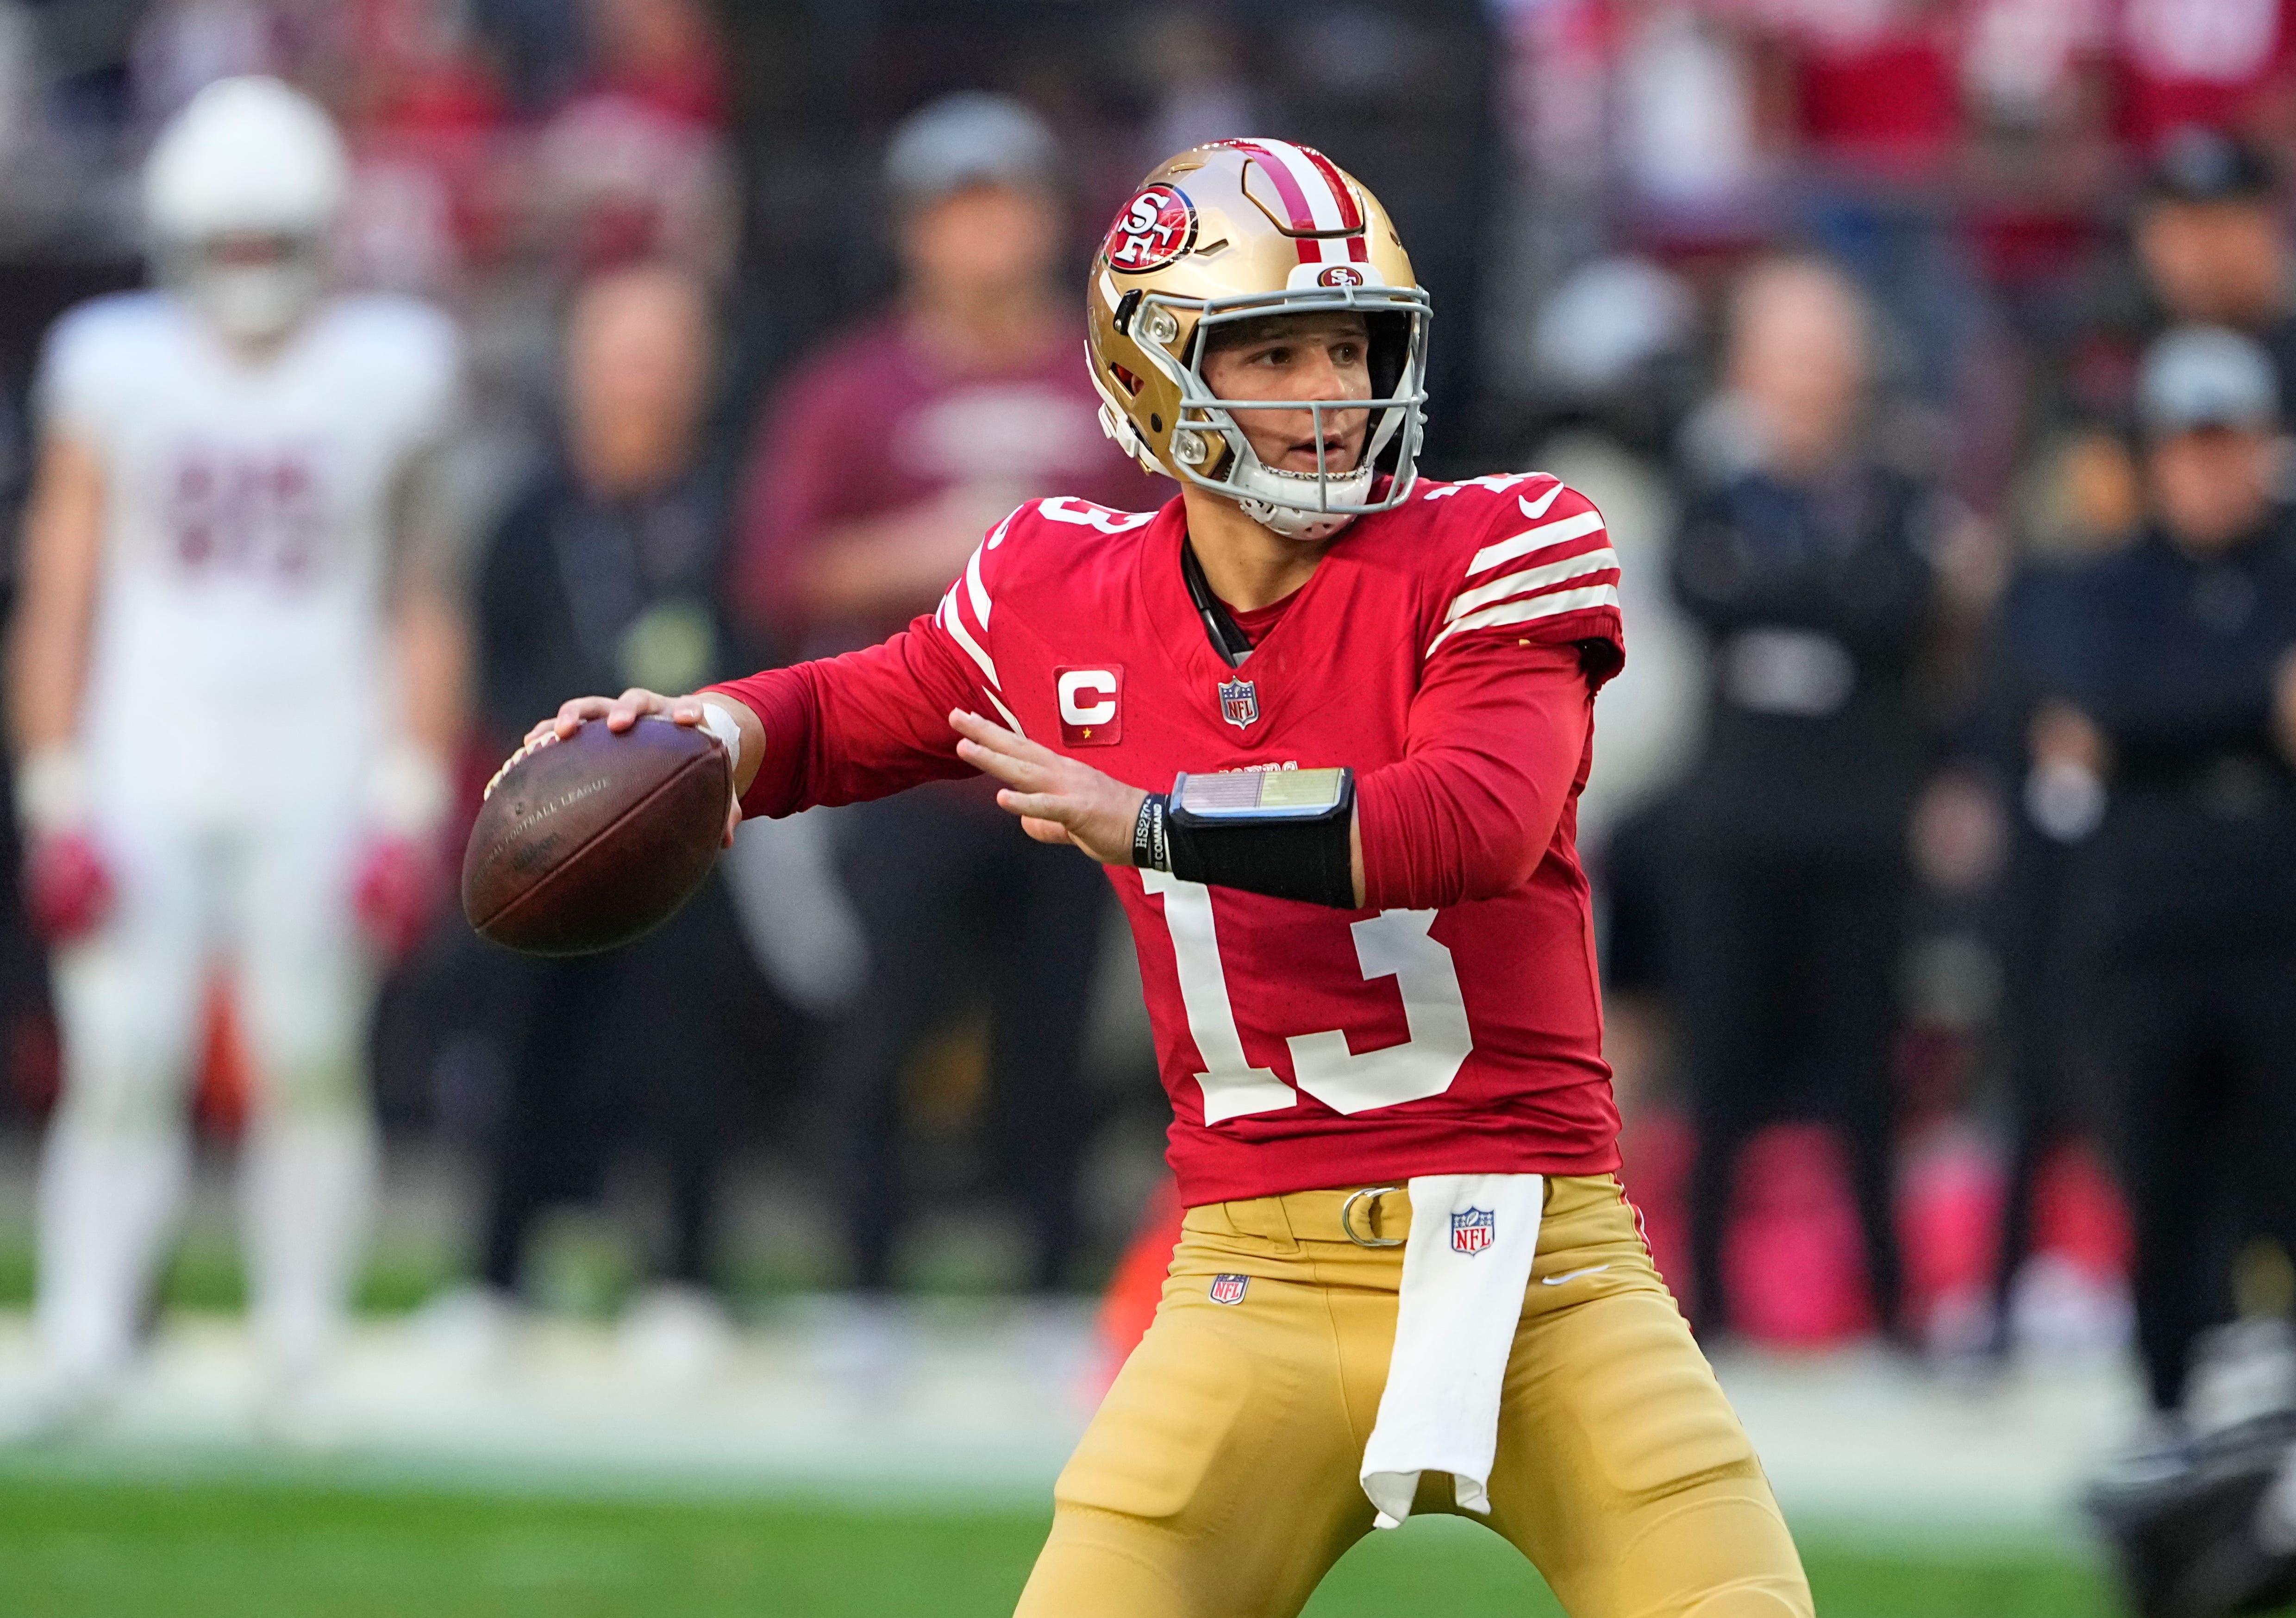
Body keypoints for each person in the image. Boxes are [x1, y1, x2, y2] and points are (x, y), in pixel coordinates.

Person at [529, 139, 1812, 1615]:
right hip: (1248, 1281)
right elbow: (852, 710)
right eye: (1275, 351)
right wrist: (701, 731)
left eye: (1353, 343)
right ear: (1151, 371)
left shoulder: (1499, 544)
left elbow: (1470, 821)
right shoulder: (1057, 586)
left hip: (1541, 1266)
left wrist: (1151, 819)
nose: (1330, 388)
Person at [3, 77, 466, 1435]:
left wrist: (407, 789)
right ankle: (88, 1334)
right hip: (145, 747)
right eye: (232, 245)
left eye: (274, 244)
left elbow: (419, 593)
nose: (251, 274)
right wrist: (54, 787)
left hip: (317, 749)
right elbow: (64, 584)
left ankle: (300, 1344)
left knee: (309, 1055)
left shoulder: (392, 364)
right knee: (122, 1054)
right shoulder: (115, 362)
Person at [731, 93, 1161, 1297]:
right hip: (911, 767)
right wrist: (920, 550)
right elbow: (774, 572)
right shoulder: (851, 390)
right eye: (959, 211)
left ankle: (1041, 1281)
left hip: (1075, 769)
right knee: (883, 1036)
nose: (983, 238)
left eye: (1004, 207)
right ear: (915, 230)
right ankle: (863, 1283)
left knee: (1057, 1044)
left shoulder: (1118, 386)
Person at [2071, 327, 2296, 1616]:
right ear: (2156, 459)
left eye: (2229, 447)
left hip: (2283, 921)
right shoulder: (2108, 584)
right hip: (2157, 927)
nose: (2211, 474)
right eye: (2189, 448)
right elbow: (2109, 706)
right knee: (2162, 1183)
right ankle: (2167, 1405)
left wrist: (2186, 730)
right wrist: (2245, 720)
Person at [433, 262, 757, 1375]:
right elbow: (488, 660)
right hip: (548, 830)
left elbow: (762, 651)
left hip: (688, 827)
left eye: (664, 356)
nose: (641, 380)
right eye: (622, 354)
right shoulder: (531, 515)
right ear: (578, 369)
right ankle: (494, 1276)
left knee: (684, 1058)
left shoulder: (720, 504)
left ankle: (685, 1279)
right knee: (521, 1048)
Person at [1664, 257, 1943, 1345]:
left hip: (1859, 822)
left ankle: (1888, 1298)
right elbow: (1705, 598)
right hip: (1737, 818)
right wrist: (1834, 603)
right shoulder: (1719, 494)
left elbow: (1898, 614)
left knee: (1867, 1066)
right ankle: (1704, 1300)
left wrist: (1791, 604)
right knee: (1720, 1059)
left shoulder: (1891, 493)